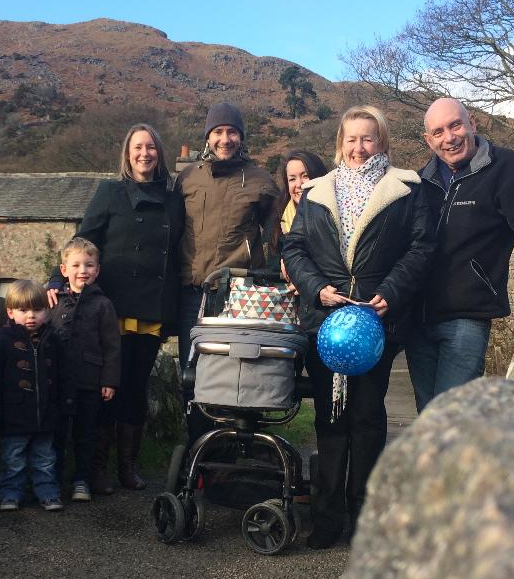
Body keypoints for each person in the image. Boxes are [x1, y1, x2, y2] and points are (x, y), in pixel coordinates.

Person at [282, 105, 435, 549]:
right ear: (339, 143)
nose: (358, 147)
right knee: (330, 419)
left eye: (368, 138)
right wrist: (317, 290)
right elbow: (294, 250)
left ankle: (364, 519)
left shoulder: (407, 189)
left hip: (376, 320)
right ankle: (326, 520)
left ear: (382, 142)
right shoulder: (314, 193)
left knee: (367, 417)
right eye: (351, 139)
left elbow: (421, 249)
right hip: (325, 322)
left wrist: (391, 291)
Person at [406, 97, 514, 412]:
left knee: (451, 416)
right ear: (429, 141)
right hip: (418, 321)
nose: (449, 137)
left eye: (455, 125)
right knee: (428, 418)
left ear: (472, 123)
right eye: (438, 132)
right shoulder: (419, 183)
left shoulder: (503, 166)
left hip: (467, 317)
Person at [48, 123, 184, 492]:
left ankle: (128, 466)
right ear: (127, 154)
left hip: (150, 309)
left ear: (160, 154)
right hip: (109, 307)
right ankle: (97, 468)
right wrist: (54, 280)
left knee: (135, 387)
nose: (145, 153)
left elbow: (182, 251)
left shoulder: (174, 198)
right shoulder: (109, 192)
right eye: (137, 147)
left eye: (151, 147)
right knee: (105, 385)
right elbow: (83, 238)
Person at [175, 102, 282, 369]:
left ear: (241, 137)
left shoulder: (261, 181)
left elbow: (278, 235)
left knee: (237, 371)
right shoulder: (187, 178)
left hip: (241, 294)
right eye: (218, 132)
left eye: (232, 132)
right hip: (192, 294)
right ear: (208, 137)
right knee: (192, 374)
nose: (225, 139)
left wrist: (272, 274)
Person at [0, 280, 64, 512]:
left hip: (46, 415)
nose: (31, 316)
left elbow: (62, 375)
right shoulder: (2, 342)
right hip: (13, 415)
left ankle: (48, 493)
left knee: (46, 459)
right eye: (23, 310)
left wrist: (65, 404)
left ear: (47, 311)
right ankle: (10, 494)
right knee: (13, 459)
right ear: (10, 312)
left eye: (38, 310)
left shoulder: (52, 341)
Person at [50, 237, 121, 502]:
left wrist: (109, 381)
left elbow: (112, 346)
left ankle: (82, 479)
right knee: (57, 433)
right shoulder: (53, 301)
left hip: (89, 382)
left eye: (89, 265)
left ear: (97, 270)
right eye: (76, 264)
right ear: (64, 269)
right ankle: (53, 481)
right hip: (58, 382)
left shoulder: (104, 305)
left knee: (85, 434)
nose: (83, 270)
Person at [266, 149, 330, 278]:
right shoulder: (279, 218)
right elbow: (272, 266)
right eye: (292, 179)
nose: (299, 184)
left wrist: (299, 271)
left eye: (305, 176)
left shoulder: (336, 213)